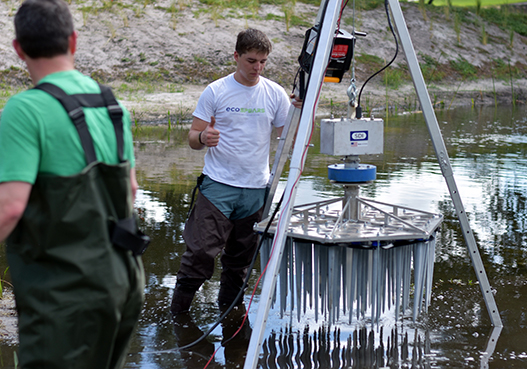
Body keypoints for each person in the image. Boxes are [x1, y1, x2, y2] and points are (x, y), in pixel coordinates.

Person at [0, 0, 146, 368]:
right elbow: (130, 192)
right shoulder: (113, 107)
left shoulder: (25, 110)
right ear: (74, 41)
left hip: (65, 294)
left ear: (18, 49)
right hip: (123, 283)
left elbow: (10, 207)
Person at [171, 28, 300, 315]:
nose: (257, 68)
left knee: (240, 261)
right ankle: (178, 315)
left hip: (256, 190)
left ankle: (230, 316)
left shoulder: (274, 93)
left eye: (263, 62)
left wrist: (299, 113)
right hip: (218, 187)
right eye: (251, 60)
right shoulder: (216, 91)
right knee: (200, 253)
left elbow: (288, 137)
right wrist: (204, 139)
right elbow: (193, 137)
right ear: (236, 56)